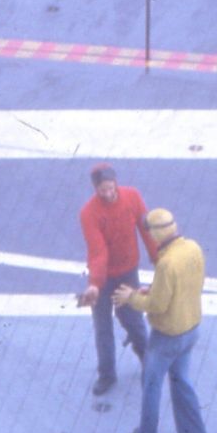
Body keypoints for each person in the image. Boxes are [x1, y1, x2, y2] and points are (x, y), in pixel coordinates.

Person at [114, 206, 210, 433]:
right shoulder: (193, 248)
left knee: (152, 383)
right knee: (182, 383)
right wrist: (155, 289)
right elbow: (189, 284)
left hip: (167, 335)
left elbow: (158, 305)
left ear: (156, 234)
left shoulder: (166, 263)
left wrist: (132, 297)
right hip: (191, 328)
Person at [75, 164, 157, 396]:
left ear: (116, 183)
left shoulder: (133, 197)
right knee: (103, 328)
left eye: (111, 188)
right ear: (96, 189)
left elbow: (146, 229)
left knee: (133, 320)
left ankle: (148, 362)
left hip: (127, 271)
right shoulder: (89, 213)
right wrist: (96, 284)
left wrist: (157, 258)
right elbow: (98, 252)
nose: (109, 194)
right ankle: (107, 374)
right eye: (103, 191)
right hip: (104, 278)